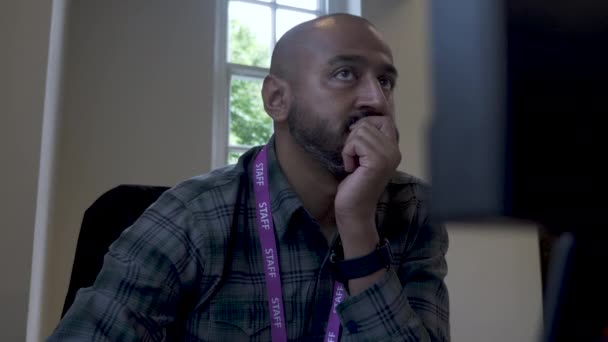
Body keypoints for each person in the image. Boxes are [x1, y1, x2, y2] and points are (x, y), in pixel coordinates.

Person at [48, 13, 449, 341]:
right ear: (276, 99)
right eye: (345, 73)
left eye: (385, 81)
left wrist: (359, 226)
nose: (376, 100)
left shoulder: (413, 209)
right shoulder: (191, 217)